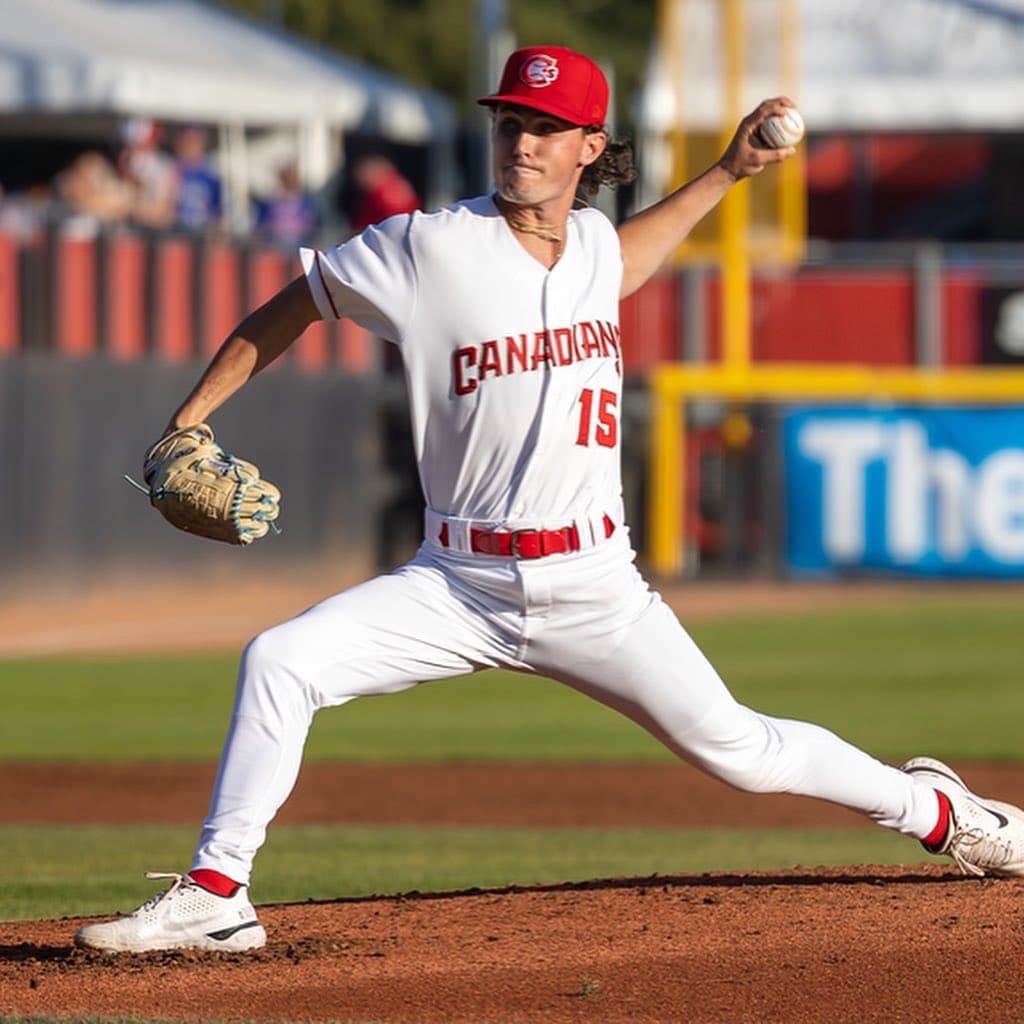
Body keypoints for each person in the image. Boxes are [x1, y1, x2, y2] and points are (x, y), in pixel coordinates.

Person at [76, 45, 1024, 954]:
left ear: (589, 146)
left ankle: (943, 812)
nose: (521, 143)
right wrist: (186, 422)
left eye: (545, 127)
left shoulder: (596, 253)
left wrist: (730, 170)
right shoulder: (424, 249)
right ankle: (216, 894)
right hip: (455, 582)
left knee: (741, 752)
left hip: (593, 584)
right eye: (510, 123)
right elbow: (286, 309)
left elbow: (631, 256)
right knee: (281, 661)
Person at [348, 153, 421, 234]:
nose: (359, 180)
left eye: (363, 174)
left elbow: (392, 225)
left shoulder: (387, 193)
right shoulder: (371, 194)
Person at [172, 124, 222, 234]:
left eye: (195, 141)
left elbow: (218, 207)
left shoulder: (211, 173)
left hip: (203, 229)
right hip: (178, 227)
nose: (190, 146)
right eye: (187, 141)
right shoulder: (174, 169)